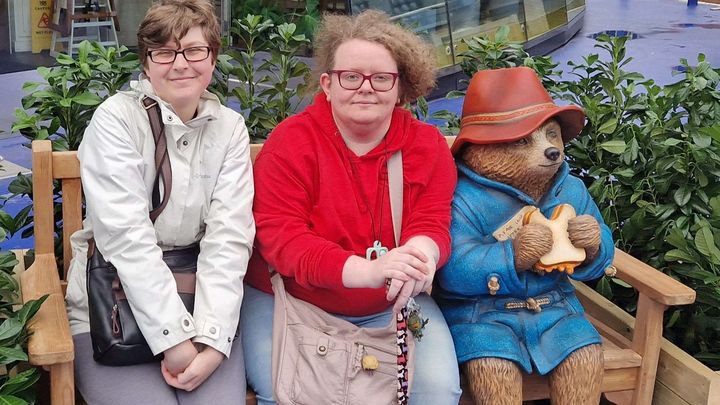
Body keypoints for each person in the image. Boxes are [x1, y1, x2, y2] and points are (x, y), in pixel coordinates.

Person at [241, 10, 461, 405]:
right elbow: (285, 242)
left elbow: (432, 222)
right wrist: (370, 271)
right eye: (351, 77)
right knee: (287, 392)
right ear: (327, 84)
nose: (366, 88)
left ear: (400, 86)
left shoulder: (425, 146)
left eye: (381, 78)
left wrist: (421, 256)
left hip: (391, 304)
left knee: (437, 391)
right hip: (293, 300)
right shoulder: (291, 144)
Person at [64, 0, 255, 403]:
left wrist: (213, 340)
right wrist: (174, 340)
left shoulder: (230, 128)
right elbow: (126, 238)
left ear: (213, 58)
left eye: (194, 50)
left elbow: (229, 237)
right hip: (109, 303)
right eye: (164, 52)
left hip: (203, 302)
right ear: (146, 64)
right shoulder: (116, 119)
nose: (181, 64)